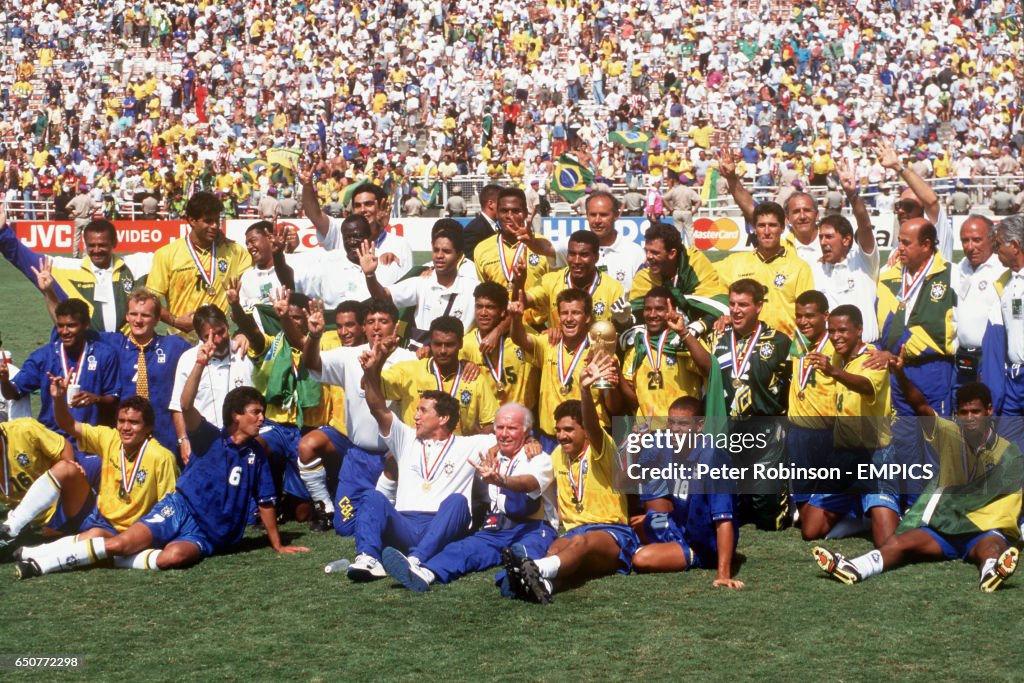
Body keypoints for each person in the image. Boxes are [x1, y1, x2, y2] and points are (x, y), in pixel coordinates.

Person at [15, 347, 309, 578]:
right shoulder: (209, 437)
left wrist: (277, 543)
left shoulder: (257, 455)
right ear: (236, 416)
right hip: (179, 509)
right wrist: (199, 365)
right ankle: (42, 563)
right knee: (119, 543)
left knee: (172, 558)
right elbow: (185, 405)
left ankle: (104, 556)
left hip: (208, 534)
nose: (261, 418)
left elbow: (266, 502)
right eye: (255, 412)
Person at [814, 381, 1022, 593]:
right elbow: (921, 408)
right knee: (898, 543)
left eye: (976, 412)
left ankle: (991, 571)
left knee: (992, 548)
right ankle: (855, 567)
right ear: (957, 414)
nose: (970, 418)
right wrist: (899, 374)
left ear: (989, 411)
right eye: (964, 412)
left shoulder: (1009, 453)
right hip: (946, 530)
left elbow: (1015, 502)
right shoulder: (951, 436)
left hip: (984, 531)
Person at [343, 337, 497, 582]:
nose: (415, 416)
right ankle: (368, 558)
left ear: (444, 418)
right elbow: (378, 408)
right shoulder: (406, 439)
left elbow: (506, 440)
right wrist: (370, 372)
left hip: (441, 523)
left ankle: (415, 560)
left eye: (423, 411)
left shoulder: (469, 444)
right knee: (373, 497)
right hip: (404, 522)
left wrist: (529, 440)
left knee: (458, 501)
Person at [501, 353, 640, 604]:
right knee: (555, 549)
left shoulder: (602, 446)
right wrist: (505, 470)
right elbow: (532, 481)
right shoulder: (556, 455)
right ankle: (542, 583)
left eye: (569, 430)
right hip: (575, 533)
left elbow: (595, 426)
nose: (562, 436)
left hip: (611, 533)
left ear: (584, 430)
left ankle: (535, 569)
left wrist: (585, 391)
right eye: (558, 430)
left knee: (578, 542)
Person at [380, 403, 557, 592]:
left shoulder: (538, 457)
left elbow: (528, 483)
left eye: (512, 428)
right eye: (500, 428)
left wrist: (501, 480)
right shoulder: (492, 455)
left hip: (534, 528)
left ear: (526, 431)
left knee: (524, 554)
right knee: (462, 549)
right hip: (497, 528)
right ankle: (424, 574)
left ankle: (513, 580)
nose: (504, 434)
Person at [680, 279, 793, 530]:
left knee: (768, 518)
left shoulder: (779, 341)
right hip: (729, 431)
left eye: (743, 304)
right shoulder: (719, 336)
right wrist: (685, 334)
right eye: (732, 304)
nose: (736, 310)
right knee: (733, 511)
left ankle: (786, 495)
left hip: (765, 432)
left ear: (759, 307)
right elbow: (707, 367)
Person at [300, 298, 416, 535]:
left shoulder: (410, 360)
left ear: (395, 326)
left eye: (383, 321)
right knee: (345, 526)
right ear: (363, 327)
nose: (376, 327)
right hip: (358, 457)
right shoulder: (348, 355)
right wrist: (313, 336)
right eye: (370, 322)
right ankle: (330, 508)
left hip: (394, 457)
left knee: (392, 525)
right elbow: (312, 364)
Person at [800, 304, 900, 546]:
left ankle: (872, 512)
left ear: (859, 330)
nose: (836, 337)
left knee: (886, 542)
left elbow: (865, 386)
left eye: (843, 331)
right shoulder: (838, 356)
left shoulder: (873, 359)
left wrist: (833, 371)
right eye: (832, 331)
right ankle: (857, 507)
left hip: (875, 454)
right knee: (810, 530)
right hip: (844, 455)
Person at [630, 396, 742, 588]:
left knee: (641, 559)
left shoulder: (713, 457)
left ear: (699, 426)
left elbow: (724, 519)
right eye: (671, 423)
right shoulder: (666, 446)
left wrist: (723, 574)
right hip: (677, 524)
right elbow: (636, 473)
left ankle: (697, 557)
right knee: (635, 525)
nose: (674, 430)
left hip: (702, 541)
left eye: (683, 424)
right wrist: (638, 444)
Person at [45, 380, 177, 539]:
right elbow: (70, 425)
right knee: (63, 470)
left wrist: (145, 535)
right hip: (97, 516)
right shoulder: (110, 437)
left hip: (126, 530)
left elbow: (168, 506)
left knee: (92, 536)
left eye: (134, 422)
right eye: (121, 421)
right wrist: (58, 400)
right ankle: (12, 527)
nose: (126, 427)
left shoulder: (161, 457)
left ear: (148, 428)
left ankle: (34, 554)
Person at [0, 212, 138, 333]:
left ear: (114, 243)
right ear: (85, 244)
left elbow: (160, 257)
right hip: (84, 351)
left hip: (123, 352)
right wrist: (3, 232)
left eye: (102, 245)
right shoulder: (66, 268)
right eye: (91, 245)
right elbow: (22, 257)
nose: (96, 250)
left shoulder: (134, 266)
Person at [0, 299, 120, 435]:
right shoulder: (43, 356)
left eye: (71, 325)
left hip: (90, 437)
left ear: (86, 325)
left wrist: (97, 399)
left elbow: (114, 397)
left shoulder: (105, 355)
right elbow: (13, 393)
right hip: (53, 437)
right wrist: (4, 381)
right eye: (60, 326)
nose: (64, 331)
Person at [146, 191, 252, 336]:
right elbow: (151, 300)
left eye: (217, 220)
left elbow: (257, 281)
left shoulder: (234, 251)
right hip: (181, 340)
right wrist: (175, 321)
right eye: (208, 221)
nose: (215, 226)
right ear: (192, 220)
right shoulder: (166, 254)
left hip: (219, 341)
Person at [360, 223, 478, 347]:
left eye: (446, 252)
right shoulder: (421, 283)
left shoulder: (473, 288)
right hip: (420, 359)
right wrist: (370, 275)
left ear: (459, 255)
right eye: (436, 250)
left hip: (456, 358)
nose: (439, 256)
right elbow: (383, 296)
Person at [380, 316, 498, 435]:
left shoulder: (473, 377)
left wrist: (473, 446)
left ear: (461, 344)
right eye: (437, 344)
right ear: (430, 343)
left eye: (449, 344)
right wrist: (379, 359)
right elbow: (369, 387)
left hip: (456, 452)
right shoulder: (409, 371)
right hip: (417, 450)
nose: (442, 350)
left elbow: (492, 422)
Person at [168, 305, 254, 463]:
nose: (218, 339)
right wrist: (183, 439)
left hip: (242, 442)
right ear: (200, 336)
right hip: (203, 444)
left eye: (221, 331)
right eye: (209, 336)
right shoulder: (188, 360)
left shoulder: (244, 351)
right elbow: (178, 407)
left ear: (227, 325)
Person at [715, 202, 814, 337]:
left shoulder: (799, 268)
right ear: (755, 228)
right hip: (744, 347)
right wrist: (724, 315)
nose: (767, 231)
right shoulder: (734, 262)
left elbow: (807, 314)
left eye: (772, 225)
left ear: (783, 228)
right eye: (762, 225)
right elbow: (712, 291)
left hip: (785, 347)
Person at [810, 159, 880, 342]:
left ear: (847, 240)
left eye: (829, 237)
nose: (823, 242)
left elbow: (865, 226)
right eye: (821, 237)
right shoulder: (817, 269)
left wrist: (852, 195)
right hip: (832, 354)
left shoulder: (862, 261)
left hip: (868, 354)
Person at [299, 172, 412, 287]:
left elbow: (407, 287)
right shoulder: (341, 233)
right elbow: (314, 214)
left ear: (381, 206)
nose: (363, 210)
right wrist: (307, 186)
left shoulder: (399, 244)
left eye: (368, 204)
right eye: (357, 205)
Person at [0, 417, 91, 553]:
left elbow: (64, 448)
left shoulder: (24, 429)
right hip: (31, 522)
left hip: (66, 504)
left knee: (65, 468)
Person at [784, 291, 836, 516]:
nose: (803, 321)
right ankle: (802, 509)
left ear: (826, 315)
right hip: (799, 430)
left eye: (810, 316)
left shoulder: (838, 345)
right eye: (799, 315)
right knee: (804, 497)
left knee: (830, 492)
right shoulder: (797, 341)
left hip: (829, 430)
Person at [628, 221, 727, 333]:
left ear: (672, 253)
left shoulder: (696, 263)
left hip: (700, 332)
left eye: (655, 252)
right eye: (647, 251)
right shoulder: (644, 275)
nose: (648, 257)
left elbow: (718, 304)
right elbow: (637, 313)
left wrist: (700, 325)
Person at [621, 287, 703, 417]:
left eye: (659, 309)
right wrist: (617, 374)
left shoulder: (686, 341)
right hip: (648, 430)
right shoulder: (637, 346)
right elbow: (633, 399)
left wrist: (683, 333)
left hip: (682, 428)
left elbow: (710, 370)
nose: (652, 314)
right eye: (648, 309)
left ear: (672, 310)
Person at [519, 230, 623, 327]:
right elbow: (521, 303)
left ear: (596, 257)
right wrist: (520, 282)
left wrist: (624, 321)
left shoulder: (613, 289)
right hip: (558, 346)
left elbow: (621, 330)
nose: (577, 261)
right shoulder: (551, 281)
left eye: (584, 255)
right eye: (572, 254)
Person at [460, 282, 538, 412]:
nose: (483, 313)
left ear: (502, 312)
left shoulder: (524, 336)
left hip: (522, 419)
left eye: (490, 307)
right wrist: (463, 363)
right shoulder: (466, 344)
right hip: (486, 423)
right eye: (479, 307)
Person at [951, 215, 1002, 388]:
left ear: (992, 239)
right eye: (965, 240)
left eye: (977, 240)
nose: (970, 246)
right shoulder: (958, 269)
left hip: (990, 360)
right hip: (961, 360)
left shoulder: (1003, 270)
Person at [473, 187, 550, 294]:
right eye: (504, 211)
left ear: (525, 212)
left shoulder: (544, 245)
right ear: (497, 214)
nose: (509, 216)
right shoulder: (482, 249)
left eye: (516, 211)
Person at [461, 183, 502, 260]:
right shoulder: (475, 229)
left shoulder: (495, 226)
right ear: (491, 204)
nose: (505, 207)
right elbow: (470, 259)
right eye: (502, 203)